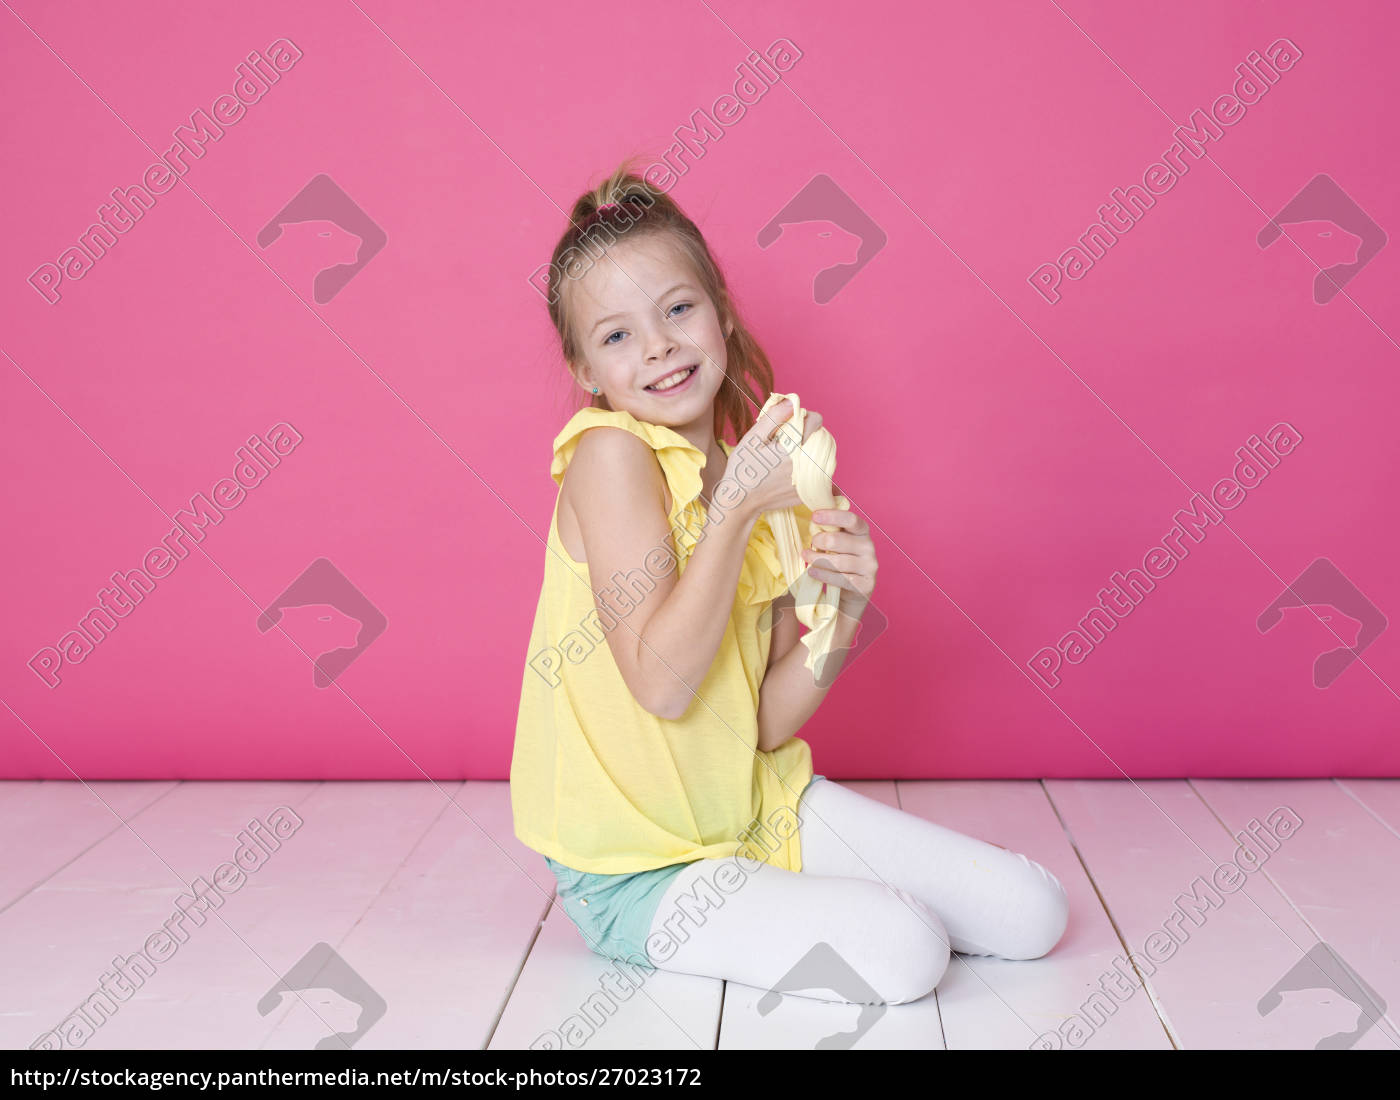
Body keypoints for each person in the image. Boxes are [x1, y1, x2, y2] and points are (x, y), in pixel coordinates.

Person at [509, 159, 1068, 1007]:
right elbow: (662, 686)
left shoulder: (756, 476)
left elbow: (758, 726)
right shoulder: (610, 457)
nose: (657, 344)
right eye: (617, 335)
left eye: (678, 309)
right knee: (906, 952)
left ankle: (815, 895)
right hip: (637, 868)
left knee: (1033, 914)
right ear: (587, 370)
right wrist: (733, 514)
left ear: (722, 316)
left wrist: (839, 616)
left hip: (749, 812)